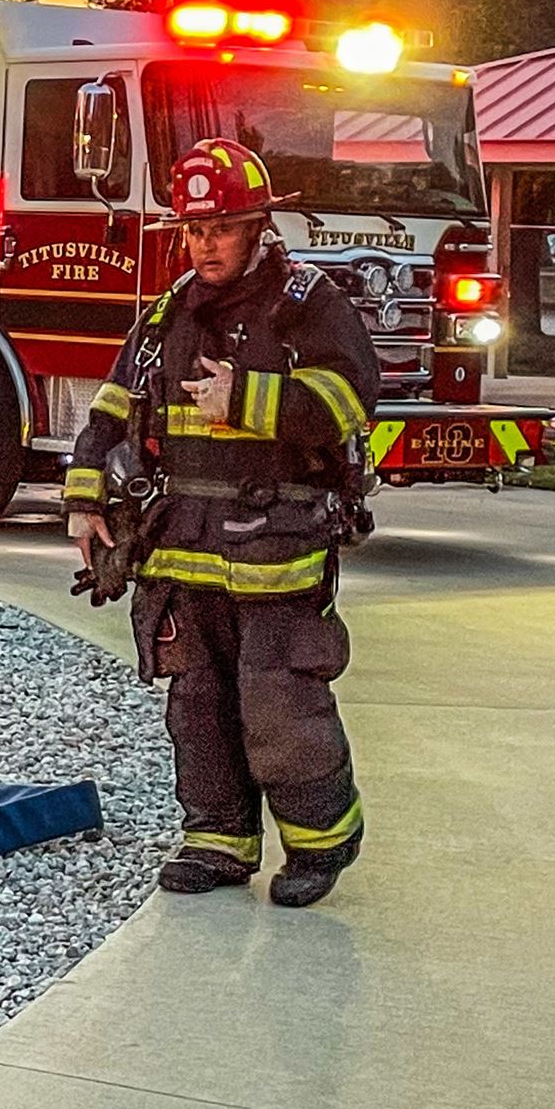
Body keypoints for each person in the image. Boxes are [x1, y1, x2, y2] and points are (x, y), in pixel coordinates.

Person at [66, 140, 382, 908]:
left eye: (223, 227)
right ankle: (218, 841)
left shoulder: (306, 303)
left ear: (258, 227)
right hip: (184, 545)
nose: (205, 242)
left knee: (279, 700)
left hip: (278, 543)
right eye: (194, 228)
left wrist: (248, 399)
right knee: (198, 700)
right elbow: (113, 405)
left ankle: (320, 842)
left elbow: (351, 398)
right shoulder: (171, 310)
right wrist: (84, 499)